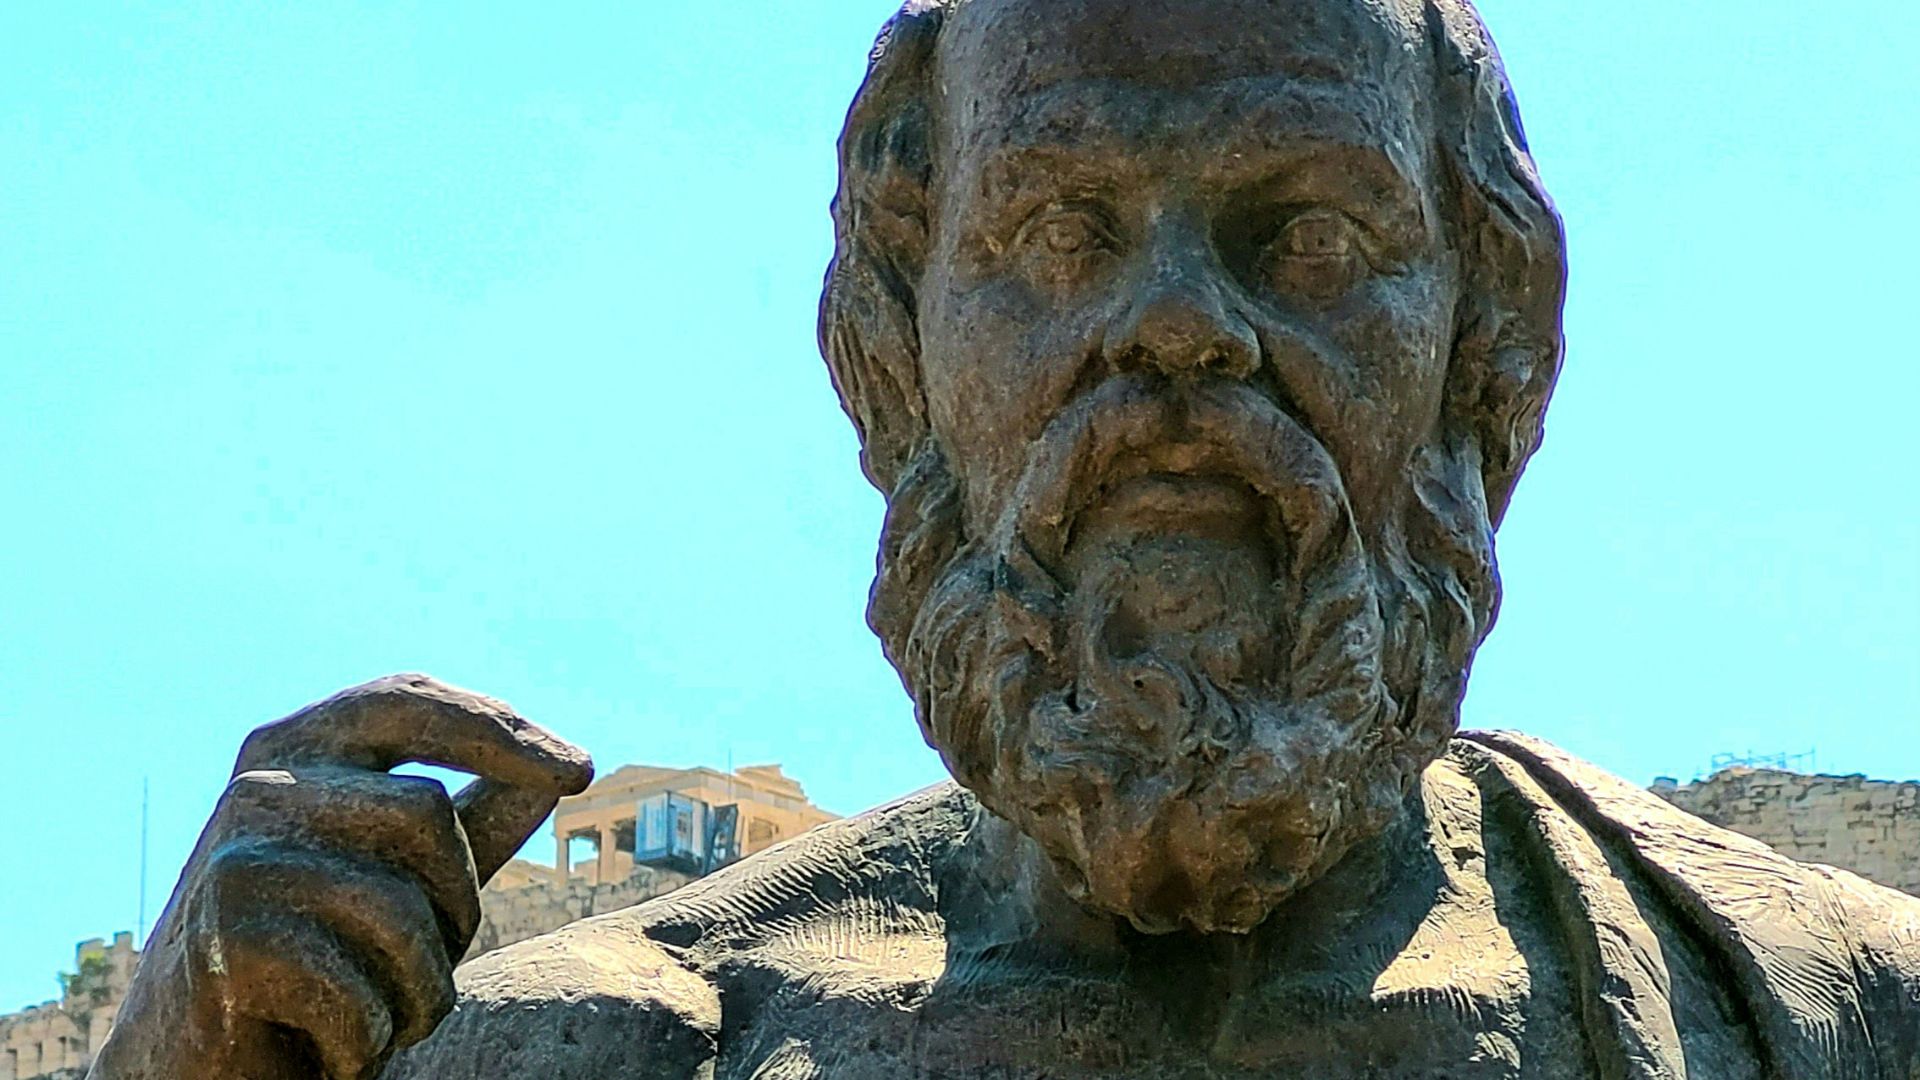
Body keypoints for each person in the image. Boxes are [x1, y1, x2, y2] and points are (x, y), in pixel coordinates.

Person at [91, 0, 1920, 1077]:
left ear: (1480, 358)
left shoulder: (1826, 1021)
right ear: (901, 350)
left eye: (1308, 241)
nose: (1181, 328)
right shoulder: (622, 1046)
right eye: (1059, 236)